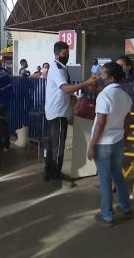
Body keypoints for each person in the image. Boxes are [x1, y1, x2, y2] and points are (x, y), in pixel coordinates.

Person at [44, 41, 98, 182]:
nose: (67, 55)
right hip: (58, 112)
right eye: (64, 53)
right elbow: (65, 88)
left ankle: (48, 171)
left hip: (55, 110)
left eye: (68, 53)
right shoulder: (57, 68)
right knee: (58, 145)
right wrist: (86, 83)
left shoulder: (61, 67)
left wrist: (73, 98)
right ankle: (55, 174)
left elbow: (63, 91)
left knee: (52, 143)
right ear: (57, 54)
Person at [88, 62, 133, 226]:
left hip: (103, 144)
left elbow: (100, 123)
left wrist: (92, 146)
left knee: (105, 179)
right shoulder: (125, 96)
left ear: (112, 78)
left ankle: (107, 215)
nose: (100, 76)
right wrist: (126, 139)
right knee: (118, 176)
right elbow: (128, 120)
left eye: (103, 74)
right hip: (118, 142)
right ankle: (126, 208)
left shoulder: (104, 96)